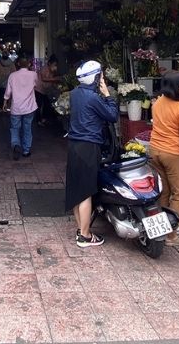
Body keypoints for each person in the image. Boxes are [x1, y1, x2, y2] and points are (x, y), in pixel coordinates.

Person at [65, 60, 119, 247]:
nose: (102, 78)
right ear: (96, 78)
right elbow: (112, 116)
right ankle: (85, 236)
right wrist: (107, 95)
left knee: (76, 189)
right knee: (86, 191)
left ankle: (81, 229)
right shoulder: (94, 98)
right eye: (101, 76)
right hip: (89, 146)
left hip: (74, 145)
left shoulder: (74, 94)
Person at [149, 70, 179, 245]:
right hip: (173, 154)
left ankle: (161, 232)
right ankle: (171, 236)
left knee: (164, 193)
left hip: (155, 152)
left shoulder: (157, 103)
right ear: (177, 87)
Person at [2, 57, 39, 158]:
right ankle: (26, 151)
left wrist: (5, 102)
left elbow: (8, 91)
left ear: (18, 64)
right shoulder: (33, 75)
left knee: (15, 128)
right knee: (27, 128)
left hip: (16, 107)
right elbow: (36, 85)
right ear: (29, 64)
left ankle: (16, 145)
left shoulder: (12, 76)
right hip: (29, 107)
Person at [35, 55, 61, 125]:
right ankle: (38, 120)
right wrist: (55, 79)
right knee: (39, 105)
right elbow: (44, 78)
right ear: (50, 63)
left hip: (45, 90)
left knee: (46, 104)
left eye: (56, 65)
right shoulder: (44, 68)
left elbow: (51, 80)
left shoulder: (52, 70)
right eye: (54, 64)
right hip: (39, 89)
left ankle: (44, 119)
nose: (55, 66)